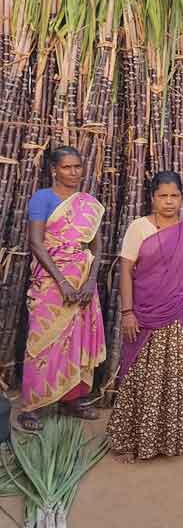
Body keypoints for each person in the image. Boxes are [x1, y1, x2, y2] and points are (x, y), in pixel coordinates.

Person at [107, 171, 183, 461]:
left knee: (173, 374)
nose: (169, 202)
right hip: (142, 313)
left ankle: (173, 438)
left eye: (174, 196)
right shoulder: (138, 228)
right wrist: (127, 312)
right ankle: (129, 440)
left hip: (174, 313)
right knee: (138, 374)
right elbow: (126, 272)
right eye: (163, 196)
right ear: (152, 198)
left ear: (182, 197)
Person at [18, 146, 106, 431]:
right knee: (41, 342)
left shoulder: (88, 203)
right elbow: (36, 242)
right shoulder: (42, 199)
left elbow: (96, 245)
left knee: (77, 338)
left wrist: (91, 281)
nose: (74, 172)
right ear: (53, 169)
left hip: (82, 279)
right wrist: (63, 282)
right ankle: (32, 406)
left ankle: (72, 400)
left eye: (78, 166)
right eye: (67, 167)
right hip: (51, 280)